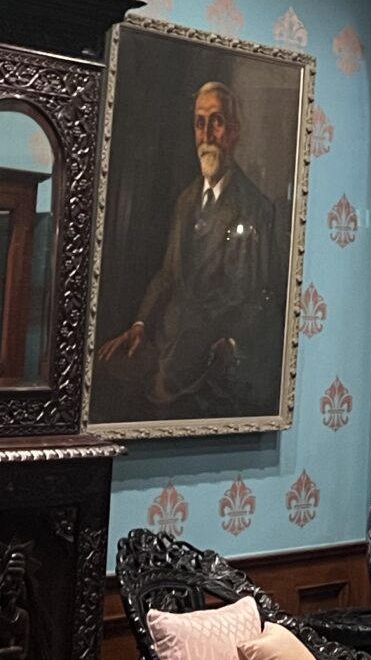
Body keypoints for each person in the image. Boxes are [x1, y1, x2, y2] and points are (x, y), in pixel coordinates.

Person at [95, 79, 283, 421]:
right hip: (164, 337)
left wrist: (230, 345)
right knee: (105, 372)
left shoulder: (256, 209)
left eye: (217, 122)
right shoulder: (185, 200)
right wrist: (139, 324)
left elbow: (259, 297)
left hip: (206, 350)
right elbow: (168, 274)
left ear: (234, 132)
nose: (207, 135)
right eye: (200, 123)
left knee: (160, 397)